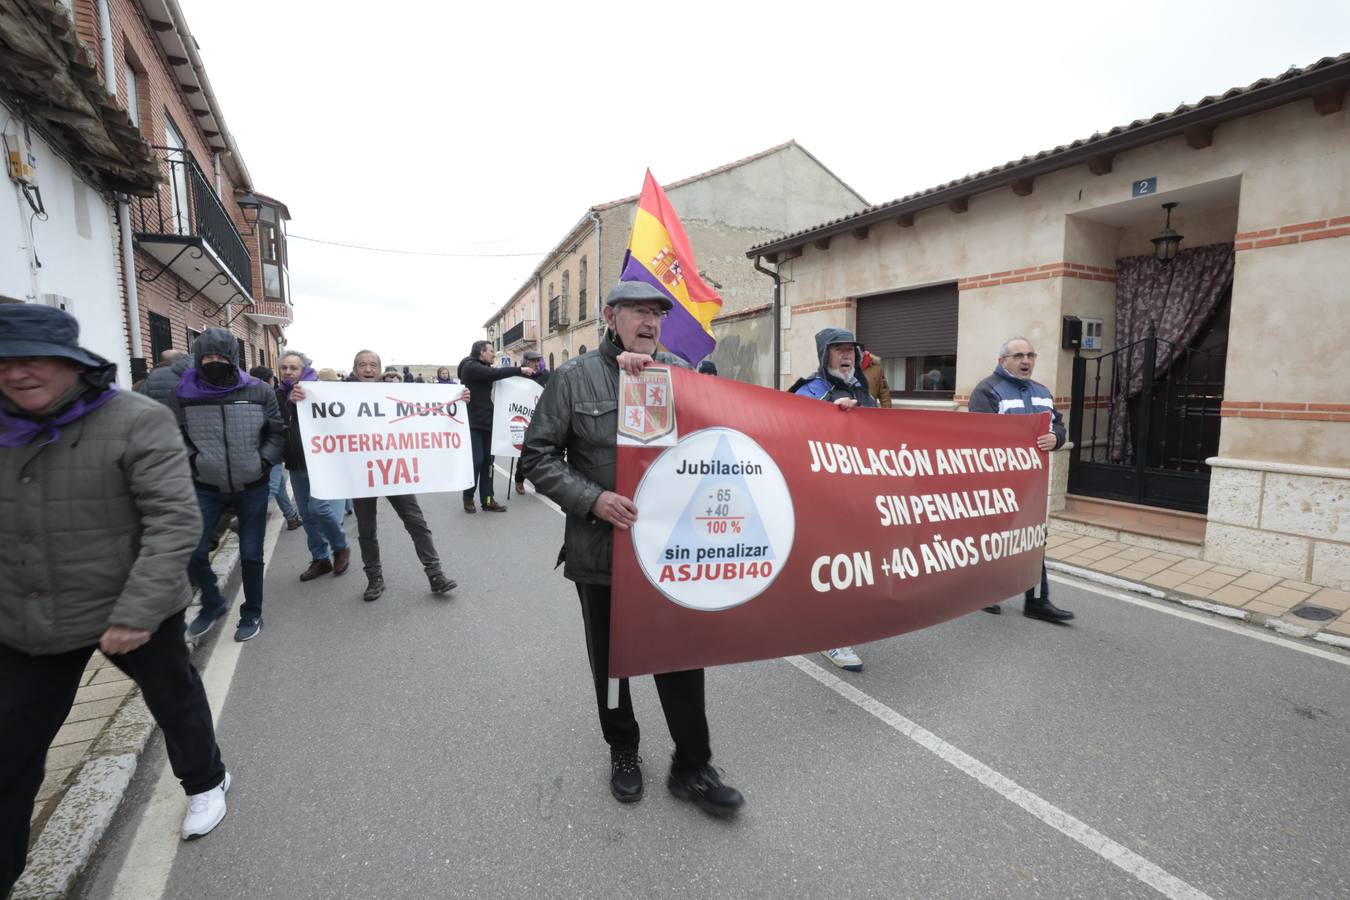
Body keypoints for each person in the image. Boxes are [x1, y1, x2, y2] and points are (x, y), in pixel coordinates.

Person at [0, 306, 231, 896]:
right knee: (13, 749)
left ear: (70, 365)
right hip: (27, 618)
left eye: (33, 359)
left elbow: (173, 519)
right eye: (5, 361)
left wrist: (137, 611)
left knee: (173, 698)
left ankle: (206, 781)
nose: (18, 373)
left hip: (130, 606)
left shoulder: (136, 420)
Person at [520, 281, 745, 818]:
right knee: (614, 662)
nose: (650, 323)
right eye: (639, 312)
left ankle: (692, 765)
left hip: (672, 555)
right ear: (610, 316)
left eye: (657, 314)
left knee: (683, 658)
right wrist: (593, 500)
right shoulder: (574, 378)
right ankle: (623, 750)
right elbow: (537, 457)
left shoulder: (679, 373)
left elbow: (720, 439)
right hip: (601, 553)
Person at [168, 329, 286, 642]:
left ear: (233, 359)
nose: (214, 362)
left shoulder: (259, 390)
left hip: (252, 486)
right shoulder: (182, 392)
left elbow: (276, 433)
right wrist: (195, 462)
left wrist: (262, 462)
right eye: (208, 357)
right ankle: (212, 603)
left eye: (221, 357)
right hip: (206, 486)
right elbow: (176, 435)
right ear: (198, 358)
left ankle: (252, 613)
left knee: (251, 554)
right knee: (192, 552)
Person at [969, 337, 1074, 623]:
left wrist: (1056, 438)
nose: (1025, 361)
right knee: (994, 538)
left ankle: (1037, 601)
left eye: (1030, 355)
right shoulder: (987, 390)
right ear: (1002, 361)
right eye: (1018, 356)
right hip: (996, 483)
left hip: (1032, 485)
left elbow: (1058, 424)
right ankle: (984, 592)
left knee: (1034, 538)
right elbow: (979, 437)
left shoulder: (1042, 392)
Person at [793, 327, 878, 672]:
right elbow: (790, 436)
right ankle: (830, 637)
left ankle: (836, 624)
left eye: (851, 350)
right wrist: (830, 419)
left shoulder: (864, 389)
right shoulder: (808, 391)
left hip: (859, 494)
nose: (847, 356)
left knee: (854, 565)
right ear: (824, 354)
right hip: (822, 497)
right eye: (839, 349)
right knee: (832, 567)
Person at [344, 349, 456, 602]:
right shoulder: (338, 397)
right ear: (354, 370)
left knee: (416, 522)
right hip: (361, 472)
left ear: (381, 370)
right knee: (366, 529)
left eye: (373, 365)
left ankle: (435, 574)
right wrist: (299, 400)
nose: (368, 369)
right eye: (363, 365)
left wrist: (456, 400)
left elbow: (427, 413)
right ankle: (374, 578)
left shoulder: (396, 396)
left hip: (395, 470)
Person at [276, 351, 351, 582]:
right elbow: (276, 423)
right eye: (284, 368)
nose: (288, 372)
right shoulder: (278, 394)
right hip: (296, 463)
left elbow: (336, 420)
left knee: (320, 509)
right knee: (307, 516)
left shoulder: (319, 391)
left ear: (304, 369)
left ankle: (340, 546)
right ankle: (320, 559)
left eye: (294, 368)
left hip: (322, 463)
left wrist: (304, 401)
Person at [457, 340, 535, 513]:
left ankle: (487, 500)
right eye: (491, 351)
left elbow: (498, 378)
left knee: (488, 463)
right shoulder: (470, 366)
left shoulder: (482, 367)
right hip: (473, 423)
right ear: (481, 352)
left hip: (488, 421)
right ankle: (468, 498)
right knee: (477, 461)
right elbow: (494, 373)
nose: (494, 354)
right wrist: (520, 369)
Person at [250, 365, 303, 531]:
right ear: (269, 380)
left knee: (278, 485)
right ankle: (247, 513)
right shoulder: (269, 397)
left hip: (259, 448)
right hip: (271, 449)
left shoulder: (250, 395)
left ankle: (291, 517)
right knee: (272, 486)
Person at [514, 350, 549, 494]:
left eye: (537, 361)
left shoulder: (545, 375)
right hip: (523, 417)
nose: (536, 364)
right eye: (533, 361)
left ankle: (539, 482)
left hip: (541, 417)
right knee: (523, 453)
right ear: (526, 362)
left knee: (541, 453)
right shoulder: (519, 376)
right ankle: (519, 479)